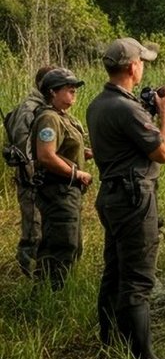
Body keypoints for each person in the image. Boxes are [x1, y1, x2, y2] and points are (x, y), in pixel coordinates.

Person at [87, 37, 165, 359]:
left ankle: (110, 343)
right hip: (133, 198)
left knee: (114, 273)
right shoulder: (125, 109)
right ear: (131, 67)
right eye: (142, 61)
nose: (143, 66)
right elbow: (163, 152)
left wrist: (147, 112)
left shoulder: (98, 104)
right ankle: (145, 358)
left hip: (111, 196)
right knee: (138, 280)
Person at [30, 67, 92, 288]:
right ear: (52, 92)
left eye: (74, 88)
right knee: (61, 243)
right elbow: (46, 156)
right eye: (68, 88)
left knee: (72, 243)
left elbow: (64, 148)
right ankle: (50, 292)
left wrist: (85, 153)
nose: (74, 91)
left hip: (69, 191)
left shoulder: (64, 118)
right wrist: (77, 172)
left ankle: (60, 290)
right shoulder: (49, 118)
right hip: (58, 190)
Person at [4, 65, 55, 275]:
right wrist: (33, 178)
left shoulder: (43, 107)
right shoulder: (29, 109)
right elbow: (24, 150)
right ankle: (29, 278)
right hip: (32, 180)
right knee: (33, 231)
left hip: (43, 179)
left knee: (45, 228)